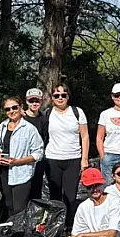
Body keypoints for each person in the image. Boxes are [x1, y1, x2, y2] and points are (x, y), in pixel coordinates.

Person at [45, 82, 89, 222]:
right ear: (52, 98)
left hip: (73, 158)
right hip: (52, 158)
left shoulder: (77, 112)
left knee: (71, 195)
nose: (60, 98)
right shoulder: (48, 113)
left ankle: (70, 224)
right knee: (55, 195)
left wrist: (84, 159)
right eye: (56, 95)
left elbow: (85, 136)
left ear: (68, 96)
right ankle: (56, 225)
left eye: (63, 95)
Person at [0, 96, 44, 216]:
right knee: (9, 205)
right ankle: (12, 228)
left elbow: (38, 153)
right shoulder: (3, 126)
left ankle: (20, 228)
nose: (11, 111)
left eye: (14, 107)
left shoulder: (29, 129)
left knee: (19, 208)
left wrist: (18, 161)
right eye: (8, 109)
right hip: (4, 172)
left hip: (21, 172)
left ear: (21, 107)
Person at [23, 88, 49, 199]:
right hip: (21, 161)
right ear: (26, 101)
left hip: (37, 161)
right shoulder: (20, 118)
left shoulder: (44, 120)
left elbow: (45, 139)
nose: (34, 103)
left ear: (41, 101)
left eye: (37, 101)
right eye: (31, 101)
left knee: (36, 191)